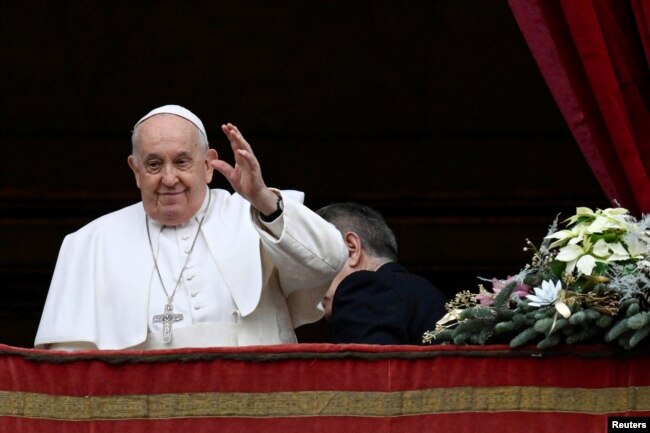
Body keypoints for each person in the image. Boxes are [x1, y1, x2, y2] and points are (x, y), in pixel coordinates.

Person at [34, 104, 347, 350]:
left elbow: (329, 261)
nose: (169, 179)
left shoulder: (258, 215)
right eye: (154, 165)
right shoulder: (92, 242)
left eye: (182, 162)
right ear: (135, 170)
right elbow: (68, 363)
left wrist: (263, 199)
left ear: (209, 164)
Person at [318, 202, 447, 345]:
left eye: (317, 261)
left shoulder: (365, 291)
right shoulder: (431, 295)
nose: (310, 283)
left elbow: (368, 367)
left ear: (351, 249)